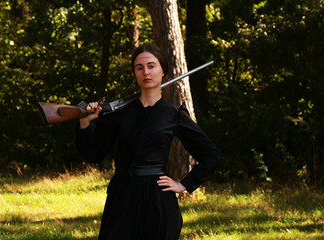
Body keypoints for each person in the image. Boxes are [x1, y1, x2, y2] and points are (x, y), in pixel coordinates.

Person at [75, 44, 221, 240]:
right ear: (134, 73)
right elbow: (93, 155)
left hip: (158, 198)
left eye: (151, 66)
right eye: (139, 67)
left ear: (163, 71)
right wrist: (84, 123)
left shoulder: (174, 115)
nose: (146, 72)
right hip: (122, 195)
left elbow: (211, 155)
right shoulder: (118, 113)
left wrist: (184, 185)